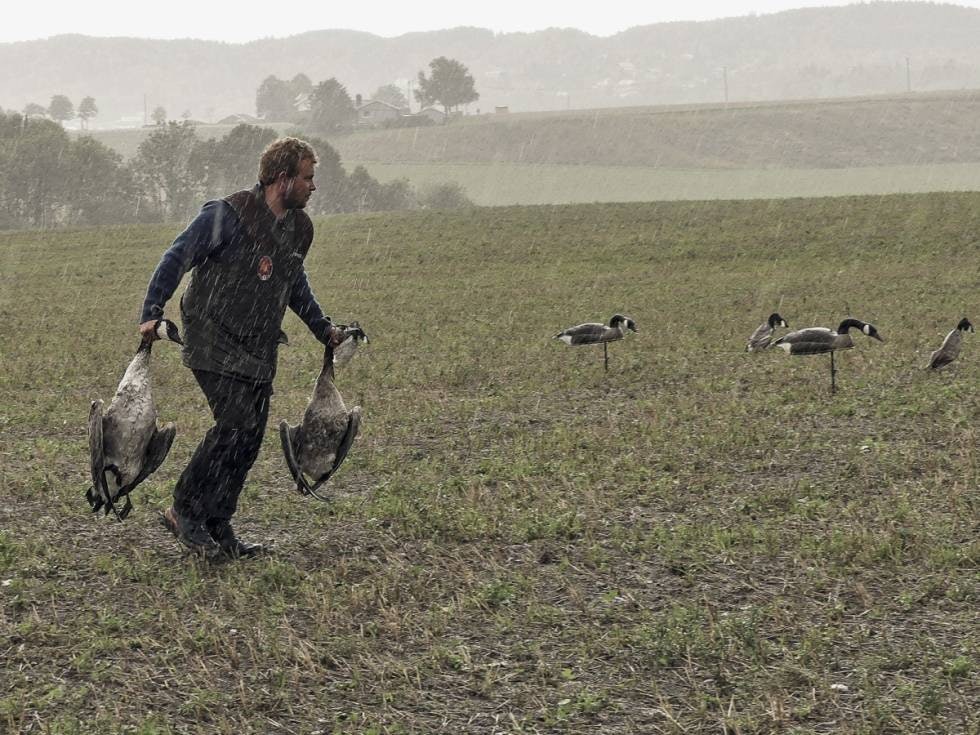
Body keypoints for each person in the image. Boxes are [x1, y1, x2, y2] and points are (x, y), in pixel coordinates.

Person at [139, 137, 344, 558]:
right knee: (233, 424)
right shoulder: (227, 214)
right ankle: (185, 510)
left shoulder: (298, 228)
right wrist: (152, 310)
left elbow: (293, 284)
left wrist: (324, 329)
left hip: (257, 342)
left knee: (249, 437)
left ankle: (218, 523)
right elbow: (176, 257)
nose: (313, 186)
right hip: (211, 336)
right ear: (282, 178)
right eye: (307, 177)